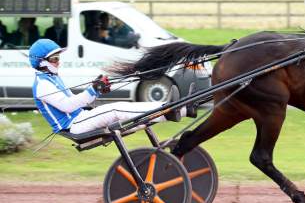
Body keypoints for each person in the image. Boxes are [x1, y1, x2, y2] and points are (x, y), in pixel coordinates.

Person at [29, 39, 193, 135]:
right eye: (54, 59)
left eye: (58, 57)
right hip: (73, 126)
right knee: (115, 110)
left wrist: (97, 90)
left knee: (128, 116)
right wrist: (93, 90)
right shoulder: (43, 85)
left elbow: (75, 101)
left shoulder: (51, 78)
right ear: (41, 62)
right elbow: (68, 105)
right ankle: (169, 110)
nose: (58, 61)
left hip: (80, 119)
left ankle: (182, 109)